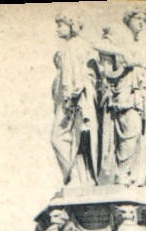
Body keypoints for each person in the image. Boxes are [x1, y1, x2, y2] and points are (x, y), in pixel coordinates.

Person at [95, 7, 146, 187]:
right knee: (130, 131)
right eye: (138, 18)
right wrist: (122, 53)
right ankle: (121, 173)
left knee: (139, 135)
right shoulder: (119, 35)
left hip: (140, 94)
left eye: (144, 20)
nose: (141, 23)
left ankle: (133, 175)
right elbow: (98, 44)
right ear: (128, 19)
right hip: (124, 92)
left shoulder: (138, 43)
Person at [50, 15, 99, 185]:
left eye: (60, 25)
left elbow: (75, 74)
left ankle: (72, 175)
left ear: (71, 26)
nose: (57, 29)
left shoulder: (73, 46)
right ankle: (79, 176)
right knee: (75, 138)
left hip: (73, 99)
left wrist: (73, 95)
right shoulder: (76, 46)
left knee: (58, 138)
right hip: (74, 98)